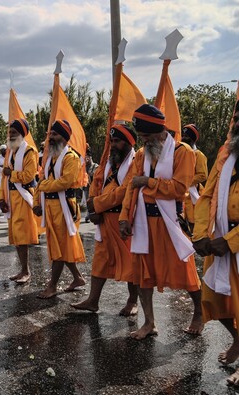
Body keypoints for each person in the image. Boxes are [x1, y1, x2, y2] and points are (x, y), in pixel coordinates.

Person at [119, 104, 202, 340]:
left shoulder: (182, 152)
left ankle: (199, 312)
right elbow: (131, 189)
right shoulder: (141, 154)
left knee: (185, 272)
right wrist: (125, 217)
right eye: (141, 136)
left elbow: (179, 188)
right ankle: (149, 323)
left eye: (146, 135)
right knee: (143, 274)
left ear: (159, 131)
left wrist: (149, 182)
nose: (143, 140)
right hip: (144, 222)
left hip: (170, 222)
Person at [193, 105, 239, 385]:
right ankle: (237, 339)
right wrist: (201, 235)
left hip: (230, 242)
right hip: (220, 241)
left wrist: (231, 241)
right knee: (212, 299)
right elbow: (207, 196)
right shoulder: (226, 154)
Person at [71, 125, 138, 315]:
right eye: (111, 142)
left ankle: (133, 301)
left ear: (129, 142)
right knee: (100, 261)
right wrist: (93, 205)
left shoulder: (135, 162)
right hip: (104, 220)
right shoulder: (108, 163)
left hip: (124, 220)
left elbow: (125, 190)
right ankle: (93, 300)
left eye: (117, 141)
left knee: (130, 262)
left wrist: (97, 204)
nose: (113, 145)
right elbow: (96, 183)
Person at [34, 120, 86, 298]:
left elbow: (66, 182)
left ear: (63, 137)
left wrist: (45, 186)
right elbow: (41, 182)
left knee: (59, 248)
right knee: (60, 246)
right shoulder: (50, 158)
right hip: (50, 207)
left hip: (64, 208)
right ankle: (77, 278)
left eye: (54, 135)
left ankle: (52, 286)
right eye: (50, 135)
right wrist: (37, 203)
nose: (50, 138)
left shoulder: (71, 157)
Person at [0, 118, 39, 284]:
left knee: (21, 236)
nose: (10, 135)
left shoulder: (30, 152)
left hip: (23, 196)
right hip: (11, 197)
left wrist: (12, 173)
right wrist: (1, 198)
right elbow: (4, 178)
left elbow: (29, 176)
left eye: (14, 133)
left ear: (22, 134)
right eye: (9, 133)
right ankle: (23, 269)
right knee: (16, 236)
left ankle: (26, 271)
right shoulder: (11, 152)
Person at [181, 124, 208, 232]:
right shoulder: (180, 153)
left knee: (194, 225)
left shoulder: (198, 155)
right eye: (183, 135)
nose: (183, 138)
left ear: (193, 139)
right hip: (181, 193)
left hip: (193, 194)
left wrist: (184, 182)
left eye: (187, 136)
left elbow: (202, 175)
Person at [83, 149, 99, 222]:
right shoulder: (83, 167)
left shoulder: (95, 166)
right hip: (86, 188)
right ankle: (88, 215)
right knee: (88, 202)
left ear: (90, 157)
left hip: (94, 188)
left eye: (86, 157)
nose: (85, 159)